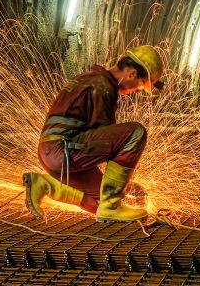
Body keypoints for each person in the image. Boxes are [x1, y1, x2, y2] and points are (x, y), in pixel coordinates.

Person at [22, 45, 164, 222]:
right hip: (64, 151)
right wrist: (124, 183)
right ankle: (111, 206)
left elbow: (94, 143)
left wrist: (118, 187)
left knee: (99, 202)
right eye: (141, 86)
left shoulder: (89, 78)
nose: (137, 91)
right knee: (136, 132)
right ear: (132, 73)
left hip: (51, 153)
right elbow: (109, 144)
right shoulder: (103, 86)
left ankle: (44, 184)